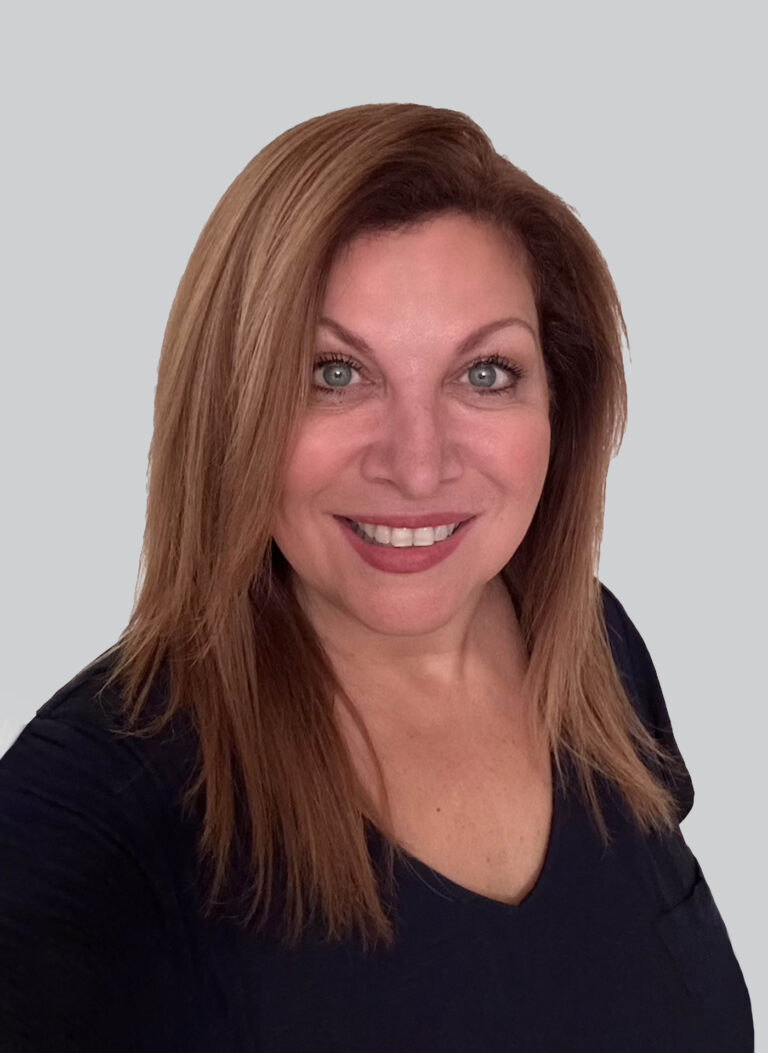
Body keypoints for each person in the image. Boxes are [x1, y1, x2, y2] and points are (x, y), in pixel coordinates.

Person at [0, 103, 753, 1051]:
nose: (417, 464)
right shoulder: (90, 814)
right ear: (231, 409)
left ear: (561, 400)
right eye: (334, 373)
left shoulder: (596, 651)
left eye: (485, 373)